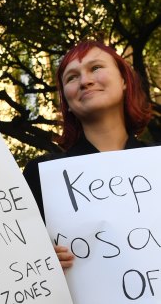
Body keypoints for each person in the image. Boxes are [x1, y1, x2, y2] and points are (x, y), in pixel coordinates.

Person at [23, 39, 153, 270]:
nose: (85, 81)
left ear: (124, 80)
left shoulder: (156, 161)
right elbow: (19, 257)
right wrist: (39, 262)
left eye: (96, 68)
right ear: (67, 102)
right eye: (72, 77)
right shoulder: (41, 175)